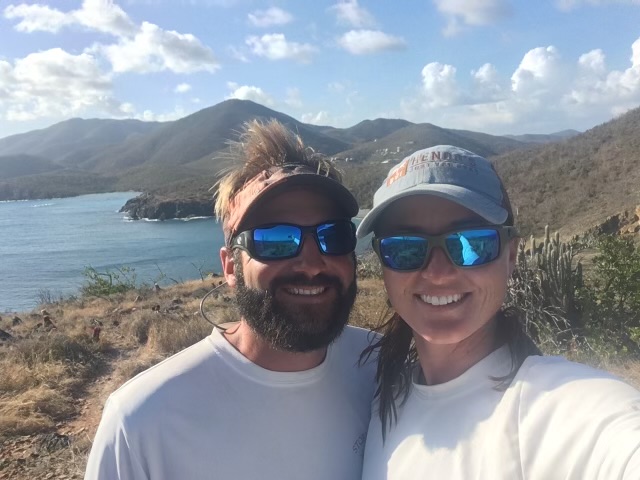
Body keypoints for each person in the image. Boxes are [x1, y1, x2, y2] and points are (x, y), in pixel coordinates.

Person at [85, 120, 376, 480]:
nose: (313, 264)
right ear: (231, 267)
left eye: (332, 236)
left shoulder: (385, 367)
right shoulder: (142, 421)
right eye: (275, 240)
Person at [357, 145, 640, 479]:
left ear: (511, 255)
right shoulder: (382, 400)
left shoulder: (554, 407)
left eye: (471, 244)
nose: (437, 272)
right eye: (405, 247)